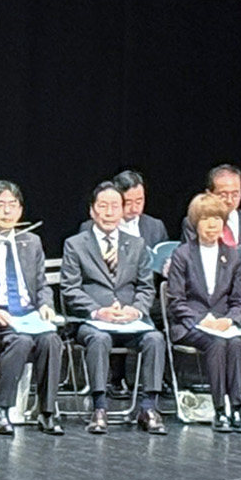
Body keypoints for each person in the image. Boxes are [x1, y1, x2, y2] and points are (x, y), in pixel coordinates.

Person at [61, 183, 169, 434]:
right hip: (92, 321)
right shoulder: (75, 244)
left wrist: (136, 310)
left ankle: (148, 408)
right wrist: (98, 311)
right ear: (92, 211)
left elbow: (146, 287)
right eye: (103, 206)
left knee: (155, 338)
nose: (109, 213)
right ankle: (99, 407)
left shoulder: (137, 244)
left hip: (130, 321)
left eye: (115, 207)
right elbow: (70, 289)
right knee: (99, 339)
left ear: (122, 210)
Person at [0, 182, 63, 436]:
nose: (7, 211)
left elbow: (42, 285)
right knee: (20, 341)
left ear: (20, 210)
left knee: (51, 340)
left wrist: (46, 305)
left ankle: (47, 412)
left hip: (28, 315)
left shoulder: (31, 242)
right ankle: (1, 411)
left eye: (12, 205)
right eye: (0, 205)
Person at [165, 192, 241, 431]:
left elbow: (239, 301)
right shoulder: (182, 254)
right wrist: (201, 320)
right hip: (190, 324)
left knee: (235, 342)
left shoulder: (233, 256)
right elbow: (175, 301)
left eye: (217, 219)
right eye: (206, 219)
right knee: (217, 343)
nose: (212, 225)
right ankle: (219, 409)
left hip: (223, 324)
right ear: (196, 223)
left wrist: (230, 320)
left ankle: (235, 408)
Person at [180, 164, 241, 248]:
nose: (229, 200)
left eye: (235, 195)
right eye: (223, 195)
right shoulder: (194, 222)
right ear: (209, 194)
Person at [114, 171, 169, 253]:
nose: (134, 209)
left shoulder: (155, 227)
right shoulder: (104, 225)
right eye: (128, 203)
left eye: (139, 202)